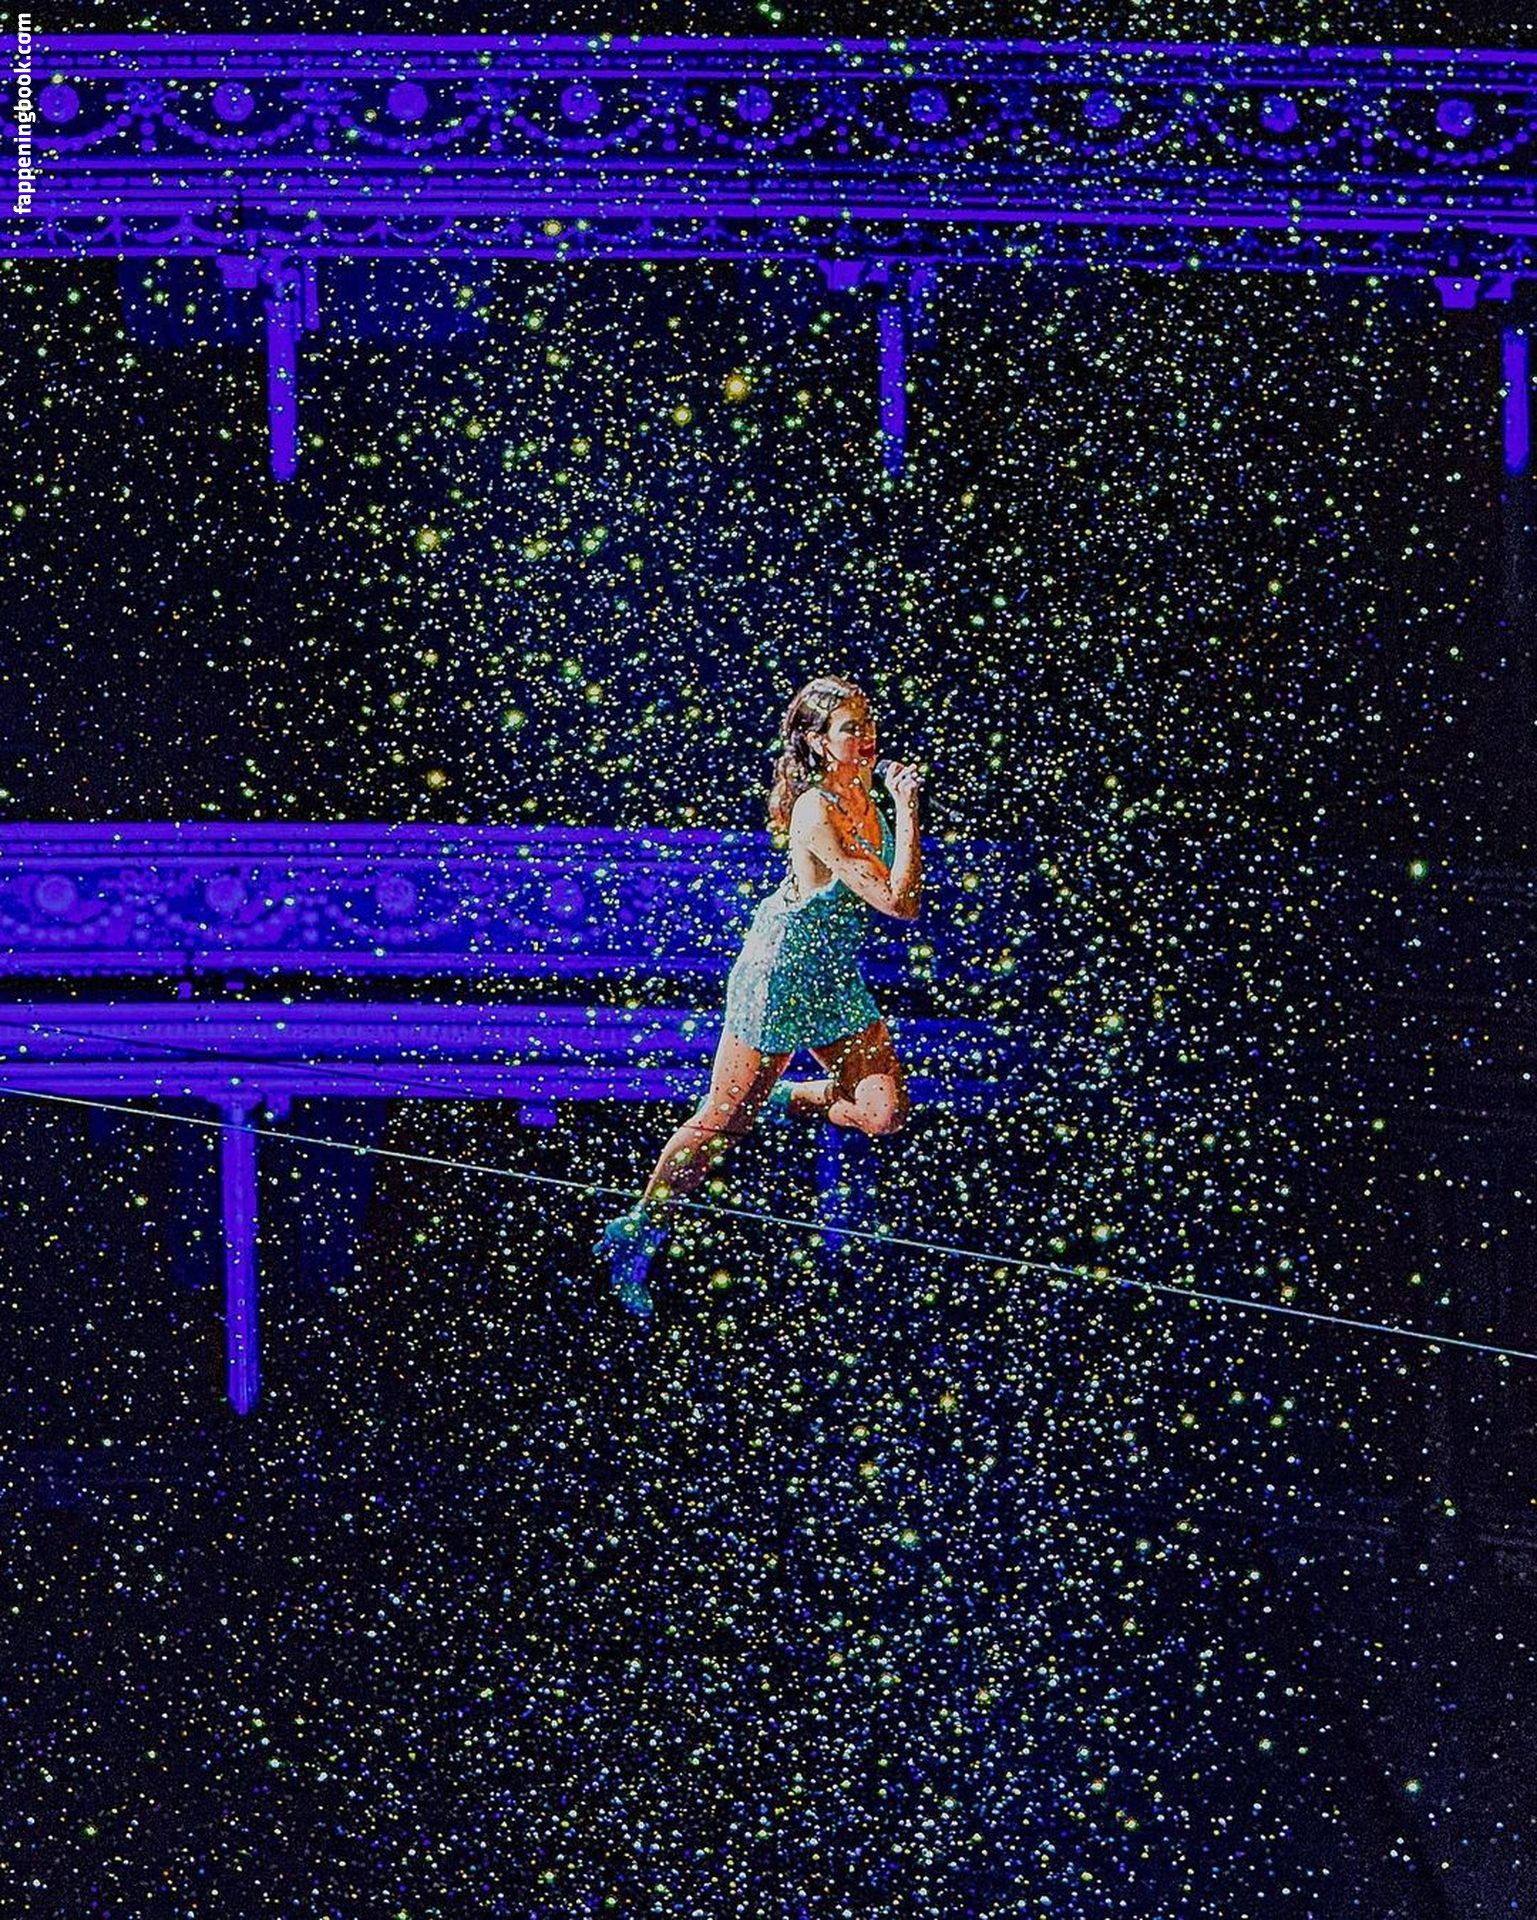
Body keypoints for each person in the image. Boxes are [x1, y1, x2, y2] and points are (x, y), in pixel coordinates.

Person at [595, 674, 923, 1318]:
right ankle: (638, 1230)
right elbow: (898, 902)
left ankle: (787, 1098)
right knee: (722, 1121)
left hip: (832, 977)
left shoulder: (866, 797)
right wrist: (909, 811)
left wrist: (894, 809)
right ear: (818, 742)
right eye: (850, 728)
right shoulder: (816, 810)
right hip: (780, 974)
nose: (866, 736)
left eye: (867, 723)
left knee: (884, 1113)